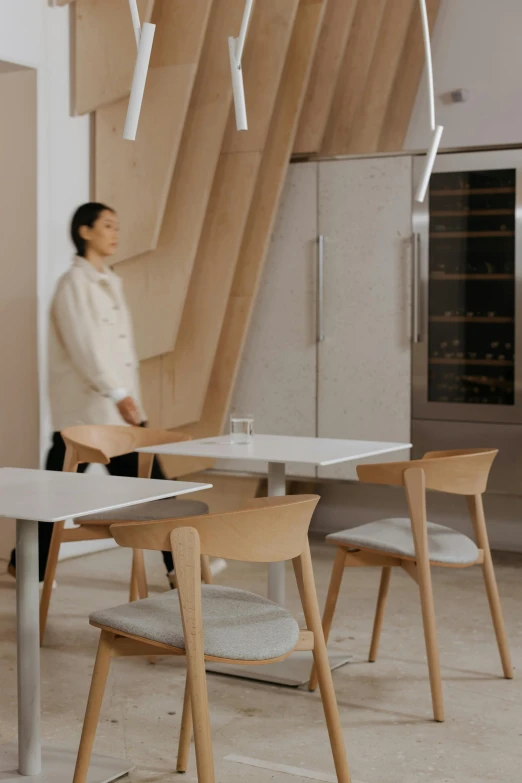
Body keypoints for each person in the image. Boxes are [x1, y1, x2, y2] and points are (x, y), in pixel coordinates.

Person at [8, 203, 201, 586]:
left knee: (147, 488)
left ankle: (180, 565)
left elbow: (118, 349)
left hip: (115, 411)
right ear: (85, 231)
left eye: (117, 226)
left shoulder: (108, 280)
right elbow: (85, 347)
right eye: (107, 226)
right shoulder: (73, 284)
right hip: (87, 413)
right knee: (60, 496)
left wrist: (127, 398)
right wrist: (118, 393)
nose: (115, 233)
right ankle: (179, 564)